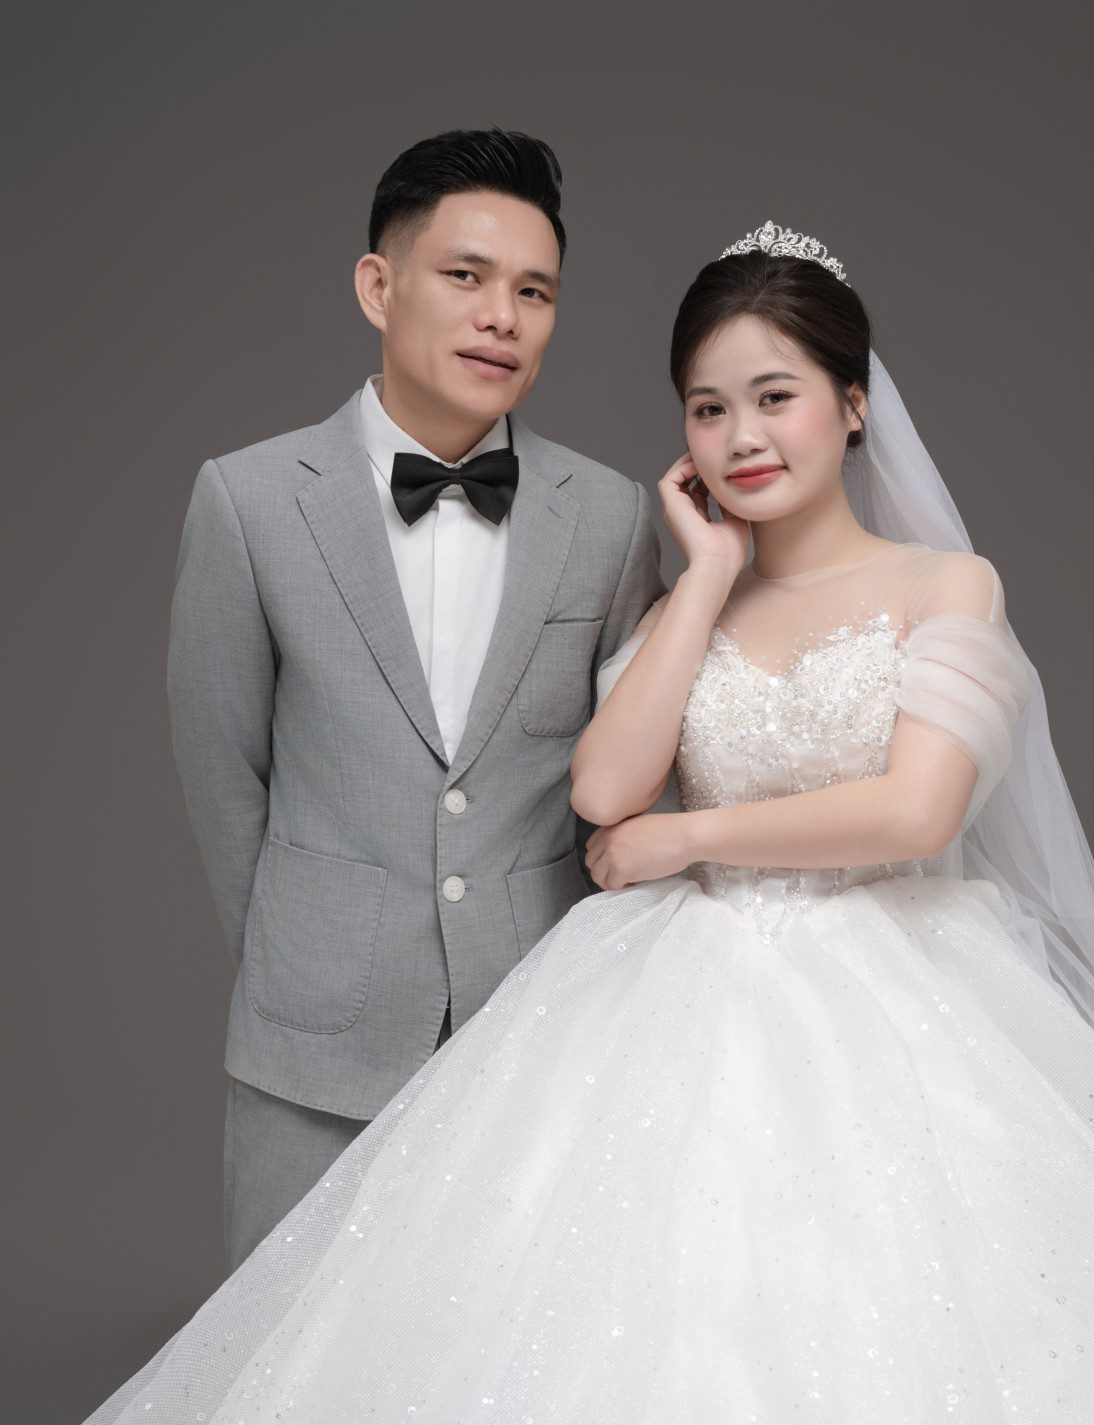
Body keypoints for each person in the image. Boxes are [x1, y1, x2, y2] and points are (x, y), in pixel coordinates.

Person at [88, 224, 1094, 1422]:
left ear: (852, 404)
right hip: (677, 991)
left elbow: (917, 810)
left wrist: (688, 839)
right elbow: (603, 793)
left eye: (774, 397)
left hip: (895, 990)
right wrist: (702, 580)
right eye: (707, 409)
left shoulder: (943, 585)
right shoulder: (685, 595)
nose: (740, 437)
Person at [165, 128, 666, 1273]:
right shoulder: (247, 502)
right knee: (290, 1352)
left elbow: (628, 780)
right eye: (466, 276)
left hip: (537, 1038)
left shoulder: (610, 516)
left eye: (533, 292)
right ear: (377, 287)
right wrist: (307, 954)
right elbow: (220, 769)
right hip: (311, 1047)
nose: (502, 317)